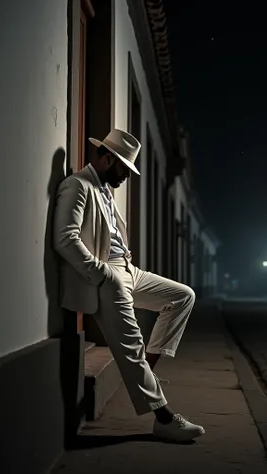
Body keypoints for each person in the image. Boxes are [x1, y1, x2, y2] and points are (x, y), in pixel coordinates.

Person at [53, 129, 204, 442]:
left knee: (182, 296)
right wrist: (102, 274)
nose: (126, 177)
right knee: (131, 344)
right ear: (107, 158)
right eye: (123, 169)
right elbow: (65, 238)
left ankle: (143, 370)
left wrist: (123, 268)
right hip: (107, 274)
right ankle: (164, 419)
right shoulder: (77, 185)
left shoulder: (105, 190)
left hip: (128, 270)